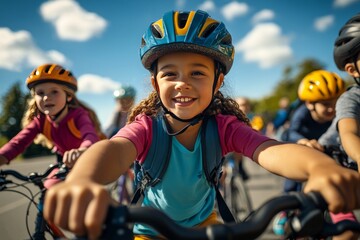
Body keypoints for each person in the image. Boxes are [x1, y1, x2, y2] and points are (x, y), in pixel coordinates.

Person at [44, 10, 360, 240]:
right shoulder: (146, 127)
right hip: (147, 231)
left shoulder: (223, 127)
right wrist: (82, 179)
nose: (183, 84)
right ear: (155, 83)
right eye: (170, 74)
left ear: (217, 81)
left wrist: (319, 168)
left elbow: (271, 150)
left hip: (206, 224)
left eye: (197, 73)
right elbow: (113, 150)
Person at [272, 69, 346, 236]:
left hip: (324, 147)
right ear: (310, 103)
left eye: (336, 102)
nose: (332, 109)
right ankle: (286, 210)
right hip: (302, 144)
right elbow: (292, 131)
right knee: (293, 179)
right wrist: (302, 141)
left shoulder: (338, 114)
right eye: (326, 104)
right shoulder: (302, 113)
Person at [0, 63, 104, 175]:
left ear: (68, 96)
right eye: (40, 93)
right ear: (34, 98)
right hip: (66, 164)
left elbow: (90, 136)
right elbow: (17, 143)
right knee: (49, 186)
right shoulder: (41, 121)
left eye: (54, 92)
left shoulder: (79, 115)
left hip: (95, 158)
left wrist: (82, 150)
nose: (46, 97)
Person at [318, 13, 360, 240]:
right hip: (334, 169)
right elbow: (349, 134)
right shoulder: (351, 99)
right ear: (353, 70)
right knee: (348, 233)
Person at [104, 85, 137, 203]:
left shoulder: (136, 114)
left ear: (133, 100)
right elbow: (107, 131)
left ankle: (135, 198)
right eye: (121, 100)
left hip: (134, 151)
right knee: (120, 182)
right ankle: (124, 201)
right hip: (120, 152)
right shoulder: (115, 115)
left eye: (128, 100)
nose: (124, 103)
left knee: (136, 178)